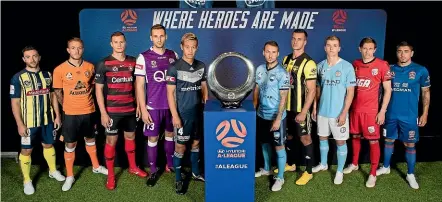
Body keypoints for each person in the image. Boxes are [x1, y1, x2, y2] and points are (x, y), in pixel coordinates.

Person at [52, 37, 108, 191]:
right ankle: (70, 175)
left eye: (79, 48)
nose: (76, 51)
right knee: (70, 144)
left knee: (90, 139)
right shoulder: (60, 69)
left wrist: (85, 97)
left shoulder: (90, 66)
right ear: (68, 50)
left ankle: (96, 166)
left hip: (89, 111)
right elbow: (57, 91)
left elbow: (92, 86)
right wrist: (67, 105)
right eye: (73, 48)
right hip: (70, 114)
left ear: (83, 49)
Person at [95, 31, 147, 190]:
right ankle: (111, 176)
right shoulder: (103, 63)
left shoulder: (133, 61)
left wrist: (139, 105)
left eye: (121, 42)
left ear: (125, 43)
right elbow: (98, 90)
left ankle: (132, 167)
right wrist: (103, 113)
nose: (119, 45)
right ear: (111, 44)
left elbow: (138, 86)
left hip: (130, 109)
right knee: (111, 141)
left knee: (131, 137)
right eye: (116, 42)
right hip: (112, 111)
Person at [10, 46, 66, 195]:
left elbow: (53, 96)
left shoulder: (48, 74)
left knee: (48, 145)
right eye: (28, 57)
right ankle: (27, 180)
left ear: (39, 57)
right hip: (28, 122)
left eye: (34, 56)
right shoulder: (18, 78)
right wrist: (20, 124)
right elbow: (15, 102)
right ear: (23, 59)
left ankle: (53, 171)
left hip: (47, 120)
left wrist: (57, 115)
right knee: (26, 150)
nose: (32, 59)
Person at [376, 41, 431, 189]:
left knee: (410, 144)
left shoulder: (420, 70)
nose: (402, 54)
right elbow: (382, 91)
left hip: (409, 116)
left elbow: (426, 92)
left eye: (406, 51)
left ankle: (410, 174)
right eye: (400, 51)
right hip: (391, 114)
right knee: (388, 140)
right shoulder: (390, 69)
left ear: (411, 53)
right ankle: (386, 167)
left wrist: (424, 113)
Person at [343, 37, 392, 188]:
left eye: (371, 49)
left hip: (371, 112)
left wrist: (382, 111)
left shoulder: (382, 65)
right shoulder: (355, 64)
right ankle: (355, 163)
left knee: (373, 141)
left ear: (375, 50)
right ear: (360, 49)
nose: (367, 51)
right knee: (355, 136)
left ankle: (372, 173)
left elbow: (388, 90)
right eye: (365, 48)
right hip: (355, 110)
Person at [135, 24, 179, 187]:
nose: (159, 39)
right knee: (153, 138)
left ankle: (170, 165)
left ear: (166, 36)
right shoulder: (143, 57)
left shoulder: (173, 55)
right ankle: (153, 170)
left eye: (161, 36)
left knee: (170, 135)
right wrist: (143, 108)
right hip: (153, 107)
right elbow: (139, 85)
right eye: (156, 36)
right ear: (151, 38)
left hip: (171, 106)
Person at [166, 32, 208, 195]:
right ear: (182, 47)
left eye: (193, 47)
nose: (190, 50)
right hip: (183, 115)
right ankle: (178, 178)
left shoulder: (201, 66)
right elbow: (170, 94)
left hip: (198, 114)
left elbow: (204, 86)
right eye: (187, 47)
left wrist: (206, 102)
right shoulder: (174, 67)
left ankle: (196, 173)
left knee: (196, 143)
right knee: (180, 147)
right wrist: (175, 116)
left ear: (197, 48)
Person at [312, 36, 356, 185]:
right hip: (323, 112)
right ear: (325, 48)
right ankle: (323, 164)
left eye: (335, 45)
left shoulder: (347, 67)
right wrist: (315, 107)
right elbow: (317, 90)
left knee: (340, 141)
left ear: (339, 48)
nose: (331, 48)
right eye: (329, 45)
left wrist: (344, 112)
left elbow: (350, 92)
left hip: (338, 113)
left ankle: (339, 171)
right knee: (322, 138)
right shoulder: (320, 66)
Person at [278, 29, 317, 185]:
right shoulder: (286, 59)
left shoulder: (309, 63)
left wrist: (304, 111)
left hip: (301, 108)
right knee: (289, 137)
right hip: (286, 108)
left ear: (305, 42)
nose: (295, 42)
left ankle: (308, 172)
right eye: (294, 38)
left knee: (305, 138)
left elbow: (312, 90)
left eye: (299, 39)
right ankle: (291, 164)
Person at [253, 41, 290, 192]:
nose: (270, 55)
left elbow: (284, 97)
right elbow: (256, 90)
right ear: (263, 52)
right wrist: (254, 110)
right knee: (264, 143)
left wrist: (278, 118)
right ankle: (267, 169)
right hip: (262, 114)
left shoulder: (282, 72)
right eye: (268, 51)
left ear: (278, 53)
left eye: (273, 52)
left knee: (279, 146)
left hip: (277, 117)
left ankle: (280, 177)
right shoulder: (260, 69)